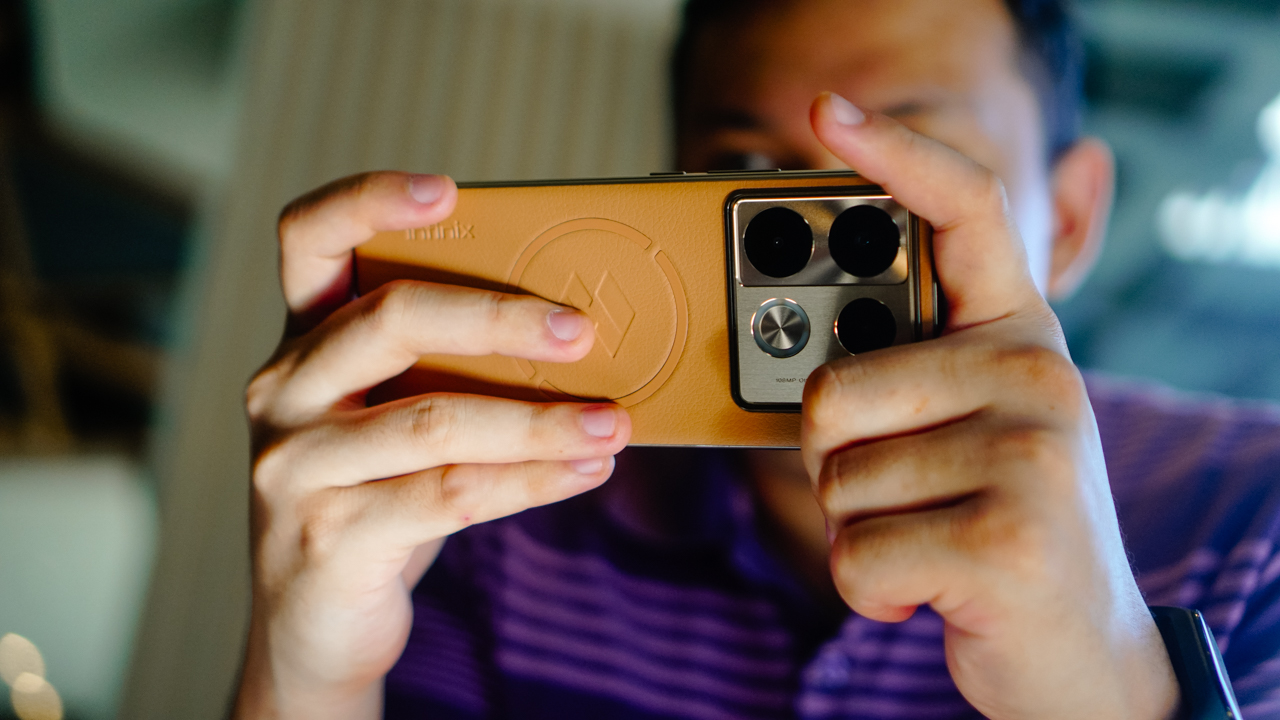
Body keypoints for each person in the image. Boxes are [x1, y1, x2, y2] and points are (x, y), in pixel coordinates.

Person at [232, 0, 1280, 718]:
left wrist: (1111, 689)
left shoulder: (1257, 523)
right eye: (741, 168)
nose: (810, 260)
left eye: (906, 167)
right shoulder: (490, 511)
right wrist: (309, 677)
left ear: (1071, 218)